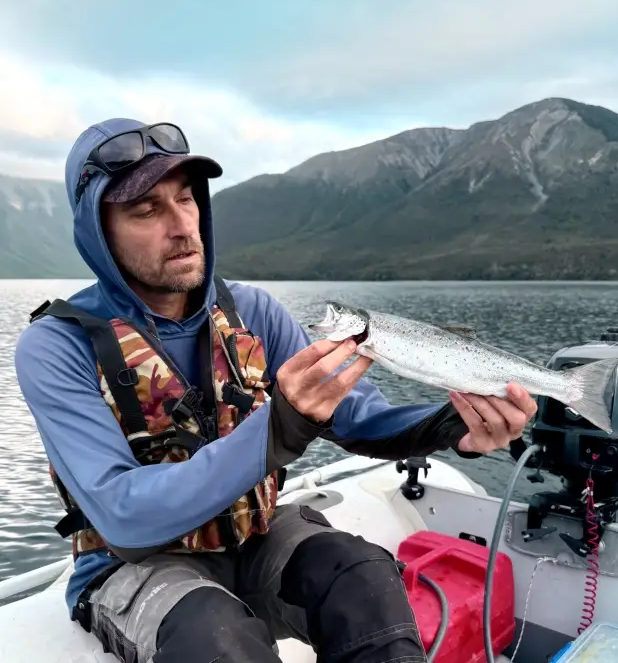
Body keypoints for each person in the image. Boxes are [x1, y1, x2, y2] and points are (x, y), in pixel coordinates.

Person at [14, 118, 536, 663]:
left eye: (187, 199)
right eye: (146, 210)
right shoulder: (58, 346)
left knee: (363, 578)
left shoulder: (253, 312)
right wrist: (282, 425)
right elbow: (125, 517)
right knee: (213, 636)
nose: (181, 225)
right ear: (97, 233)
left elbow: (359, 419)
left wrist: (458, 424)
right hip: (135, 564)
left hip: (255, 535)